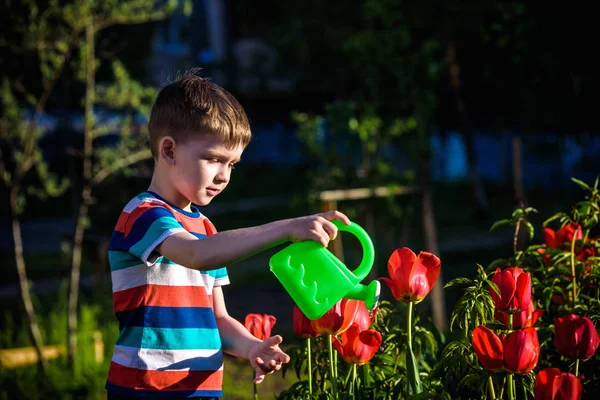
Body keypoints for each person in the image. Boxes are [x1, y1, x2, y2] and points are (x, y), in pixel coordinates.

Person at [105, 70, 350, 399]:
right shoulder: (144, 215)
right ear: (169, 151)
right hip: (146, 389)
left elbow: (217, 318)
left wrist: (252, 347)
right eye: (213, 159)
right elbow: (197, 255)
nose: (223, 176)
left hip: (203, 390)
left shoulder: (206, 229)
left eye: (232, 164)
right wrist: (287, 227)